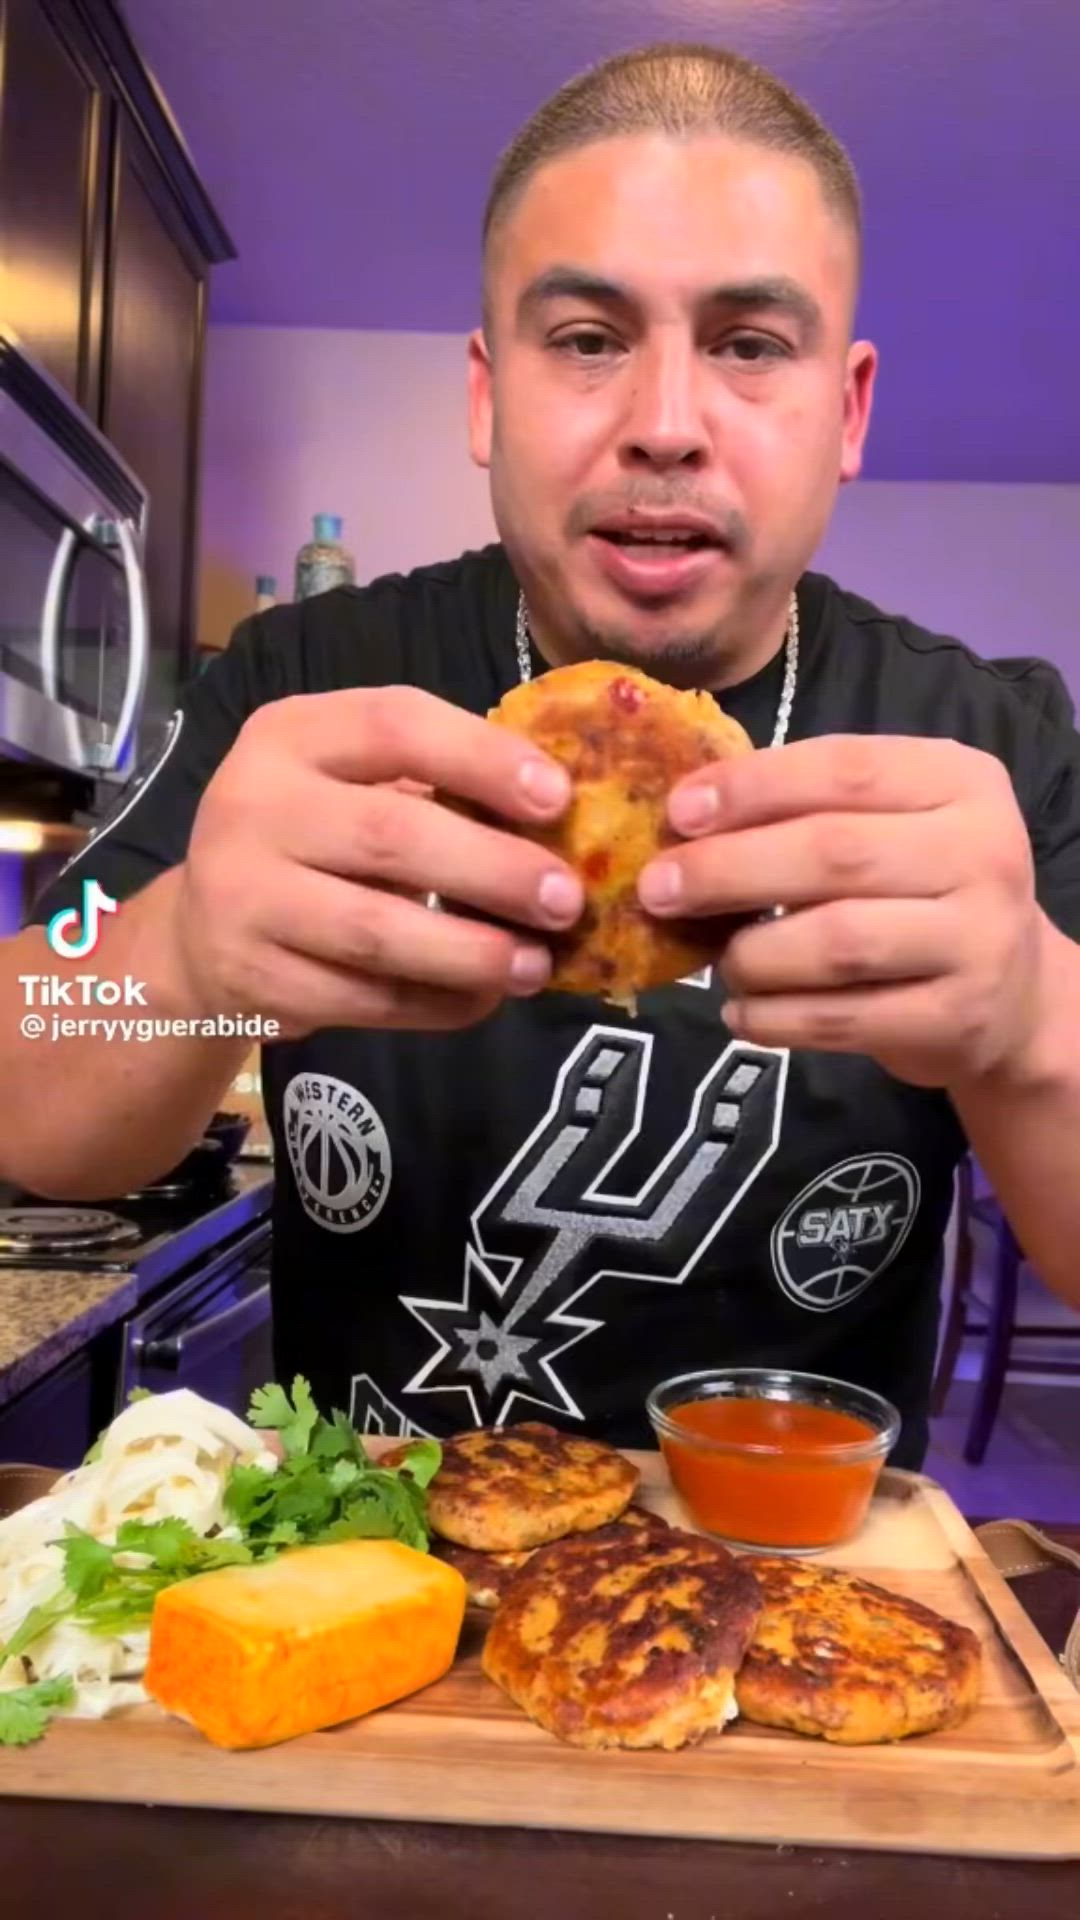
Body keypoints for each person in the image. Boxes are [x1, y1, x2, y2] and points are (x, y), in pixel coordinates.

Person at [4, 43, 1080, 1466]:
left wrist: (1033, 1024)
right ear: (486, 393)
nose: (666, 426)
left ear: (850, 410)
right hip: (366, 1584)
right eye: (587, 338)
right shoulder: (297, 683)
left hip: (810, 1598)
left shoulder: (990, 741)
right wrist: (185, 947)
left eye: (752, 345)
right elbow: (33, 1090)